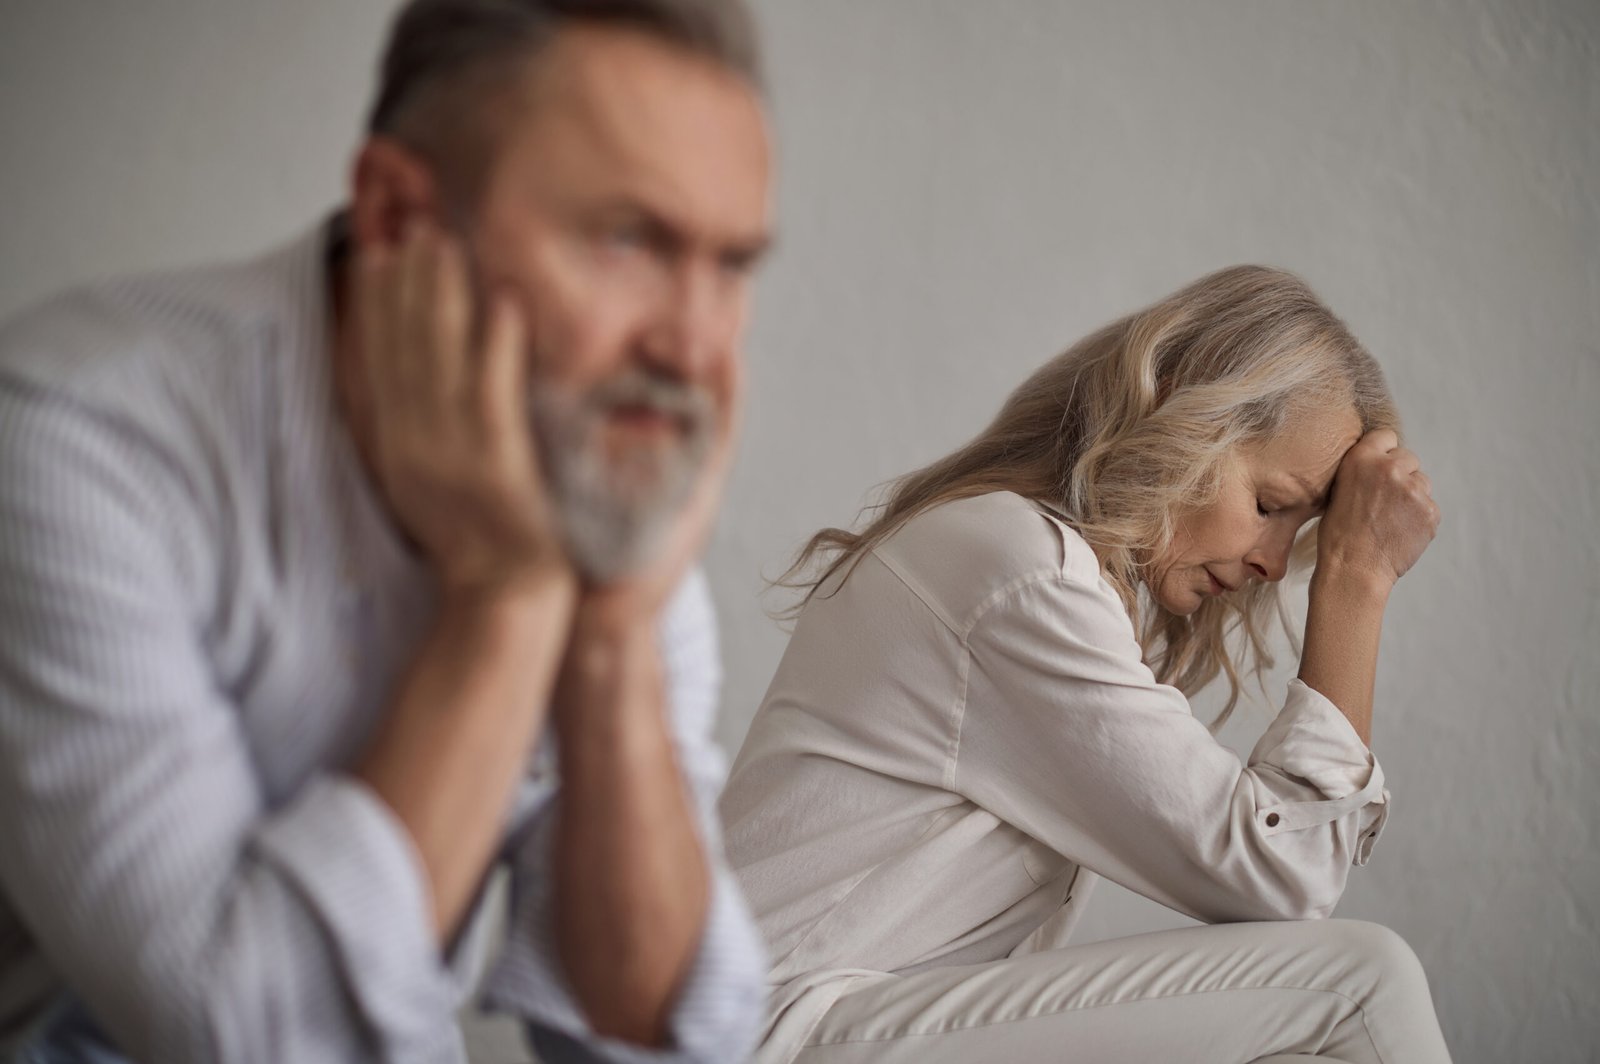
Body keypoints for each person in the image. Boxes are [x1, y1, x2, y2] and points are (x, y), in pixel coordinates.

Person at [0, 1, 774, 1061]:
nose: (691, 347)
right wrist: (508, 592)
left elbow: (652, 1036)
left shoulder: (601, 468)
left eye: (731, 266)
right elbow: (247, 1039)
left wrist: (605, 637)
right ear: (398, 213)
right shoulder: (76, 441)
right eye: (629, 239)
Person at [719, 266, 1454, 1064]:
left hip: (809, 1023)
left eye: (1302, 529)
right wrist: (1357, 579)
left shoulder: (1009, 559)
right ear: (1177, 408)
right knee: (1359, 986)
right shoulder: (1017, 573)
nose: (1277, 563)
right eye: (1270, 505)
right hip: (769, 1034)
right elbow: (1281, 874)